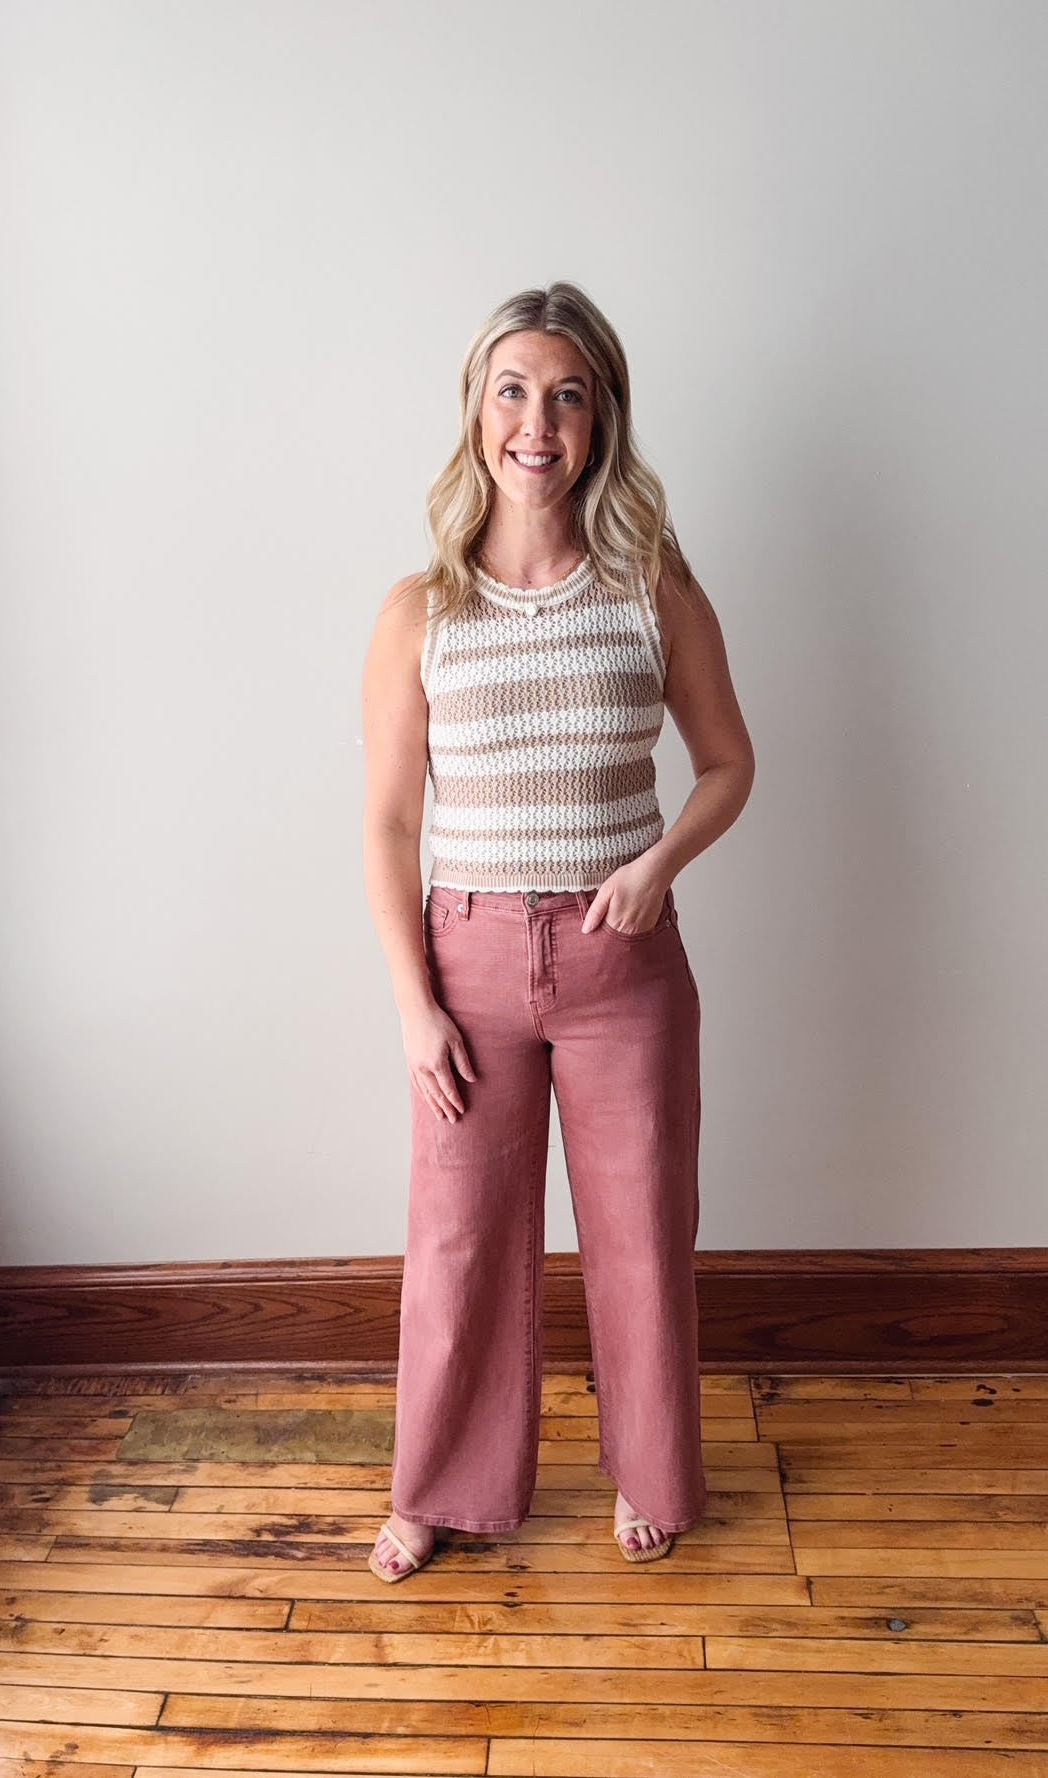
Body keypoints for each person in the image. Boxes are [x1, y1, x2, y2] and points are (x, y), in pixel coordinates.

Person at [360, 281, 754, 1581]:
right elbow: (383, 824)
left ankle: (651, 1470)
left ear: (601, 419)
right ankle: (442, 1486)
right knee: (461, 1241)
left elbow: (727, 764)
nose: (539, 420)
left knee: (641, 1231)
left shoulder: (649, 584)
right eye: (514, 389)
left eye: (569, 393)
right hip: (466, 963)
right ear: (477, 410)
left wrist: (657, 864)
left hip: (619, 962)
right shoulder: (421, 610)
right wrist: (414, 1005)